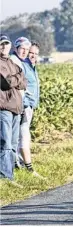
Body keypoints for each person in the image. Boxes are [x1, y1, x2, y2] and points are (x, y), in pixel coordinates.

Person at [0, 35, 27, 182]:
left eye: (6, 44)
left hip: (16, 108)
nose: (4, 47)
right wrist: (17, 78)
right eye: (1, 45)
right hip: (4, 107)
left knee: (13, 143)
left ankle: (10, 173)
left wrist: (15, 78)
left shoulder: (11, 62)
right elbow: (4, 83)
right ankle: (5, 176)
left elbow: (24, 81)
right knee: (6, 142)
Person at [18, 41, 43, 178]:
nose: (33, 55)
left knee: (22, 135)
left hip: (30, 105)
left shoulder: (33, 66)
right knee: (24, 135)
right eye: (31, 52)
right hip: (24, 105)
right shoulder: (24, 66)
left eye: (35, 53)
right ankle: (28, 168)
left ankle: (19, 164)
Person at [10, 37, 31, 169]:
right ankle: (14, 164)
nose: (24, 52)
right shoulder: (14, 61)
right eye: (22, 49)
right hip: (15, 103)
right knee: (15, 137)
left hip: (20, 102)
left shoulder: (20, 61)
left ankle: (16, 163)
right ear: (16, 48)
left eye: (27, 50)